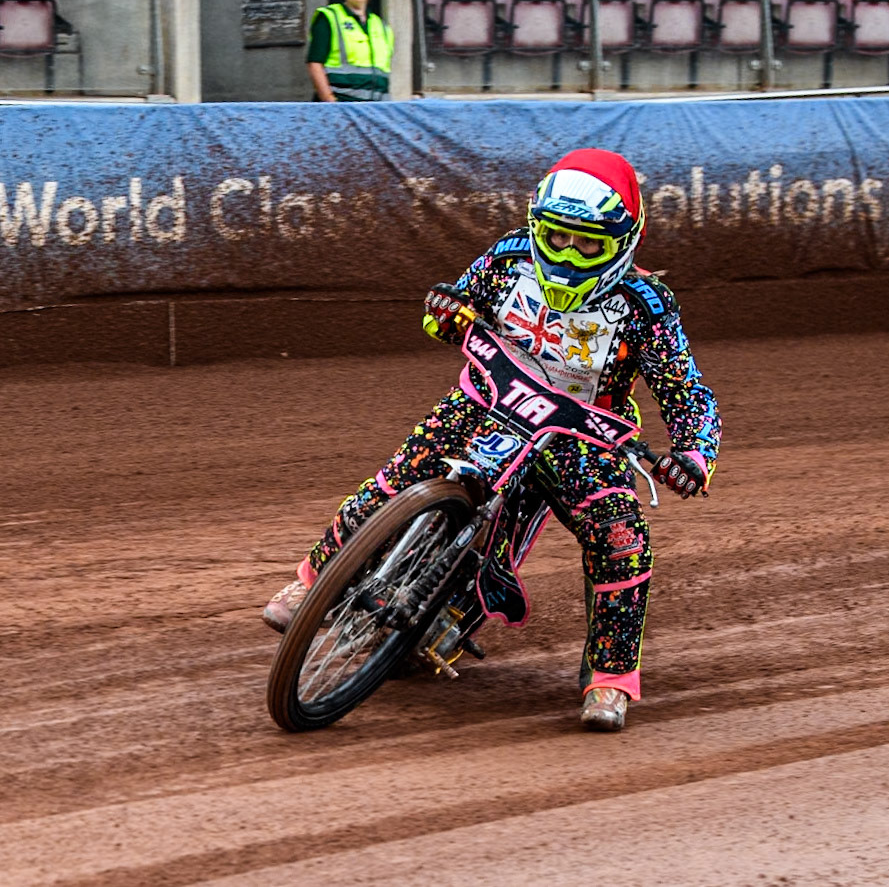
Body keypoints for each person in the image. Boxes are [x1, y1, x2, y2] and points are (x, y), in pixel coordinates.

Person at [263, 148, 722, 732]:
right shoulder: (508, 257)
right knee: (400, 474)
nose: (569, 255)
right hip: (486, 399)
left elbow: (686, 391)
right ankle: (311, 584)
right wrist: (444, 309)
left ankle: (611, 679)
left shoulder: (645, 307)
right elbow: (450, 310)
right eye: (558, 238)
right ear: (537, 226)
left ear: (626, 241)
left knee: (621, 539)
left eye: (589, 245)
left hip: (583, 435)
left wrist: (692, 453)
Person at [306, 0, 394, 102]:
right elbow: (315, 63)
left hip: (376, 110)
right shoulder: (329, 17)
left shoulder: (382, 26)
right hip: (341, 107)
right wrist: (331, 102)